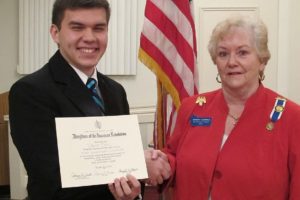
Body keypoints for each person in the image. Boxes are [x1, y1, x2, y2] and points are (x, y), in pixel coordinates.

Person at [147, 15, 300, 199]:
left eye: (242, 52)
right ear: (215, 61)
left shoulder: (292, 118)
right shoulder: (192, 108)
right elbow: (174, 157)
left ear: (262, 60)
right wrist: (157, 162)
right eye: (223, 54)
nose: (231, 62)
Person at [9, 0, 143, 199]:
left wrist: (135, 180)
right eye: (77, 27)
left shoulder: (116, 91)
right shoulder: (30, 91)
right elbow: (50, 180)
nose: (89, 38)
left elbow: (124, 160)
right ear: (55, 33)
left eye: (99, 28)